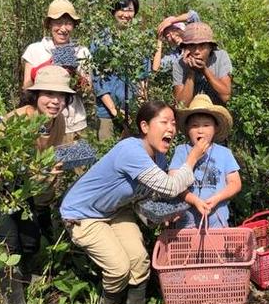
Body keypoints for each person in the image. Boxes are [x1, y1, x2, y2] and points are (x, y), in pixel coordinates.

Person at [60, 101, 210, 304]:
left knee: (139, 262)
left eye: (173, 124)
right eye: (164, 122)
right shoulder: (130, 150)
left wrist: (158, 215)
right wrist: (192, 158)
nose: (171, 129)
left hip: (115, 210)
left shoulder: (159, 158)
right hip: (82, 215)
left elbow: (143, 196)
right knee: (118, 269)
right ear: (145, 127)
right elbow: (171, 187)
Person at [0, 66, 76, 304]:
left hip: (32, 190)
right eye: (49, 94)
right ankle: (14, 297)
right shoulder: (17, 119)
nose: (55, 101)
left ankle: (26, 283)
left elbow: (55, 156)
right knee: (9, 247)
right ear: (36, 95)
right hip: (4, 190)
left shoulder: (58, 121)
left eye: (61, 96)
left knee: (30, 243)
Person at [21, 0, 91, 142]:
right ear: (49, 24)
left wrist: (75, 75)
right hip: (42, 124)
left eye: (68, 23)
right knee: (43, 162)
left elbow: (88, 90)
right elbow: (26, 87)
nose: (63, 28)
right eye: (58, 22)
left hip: (75, 124)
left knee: (76, 164)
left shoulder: (82, 52)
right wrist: (49, 68)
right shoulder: (35, 50)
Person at [168, 94, 242, 228]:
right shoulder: (181, 151)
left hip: (218, 222)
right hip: (186, 225)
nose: (200, 130)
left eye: (206, 125)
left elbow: (235, 183)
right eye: (195, 126)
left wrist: (217, 198)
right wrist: (195, 201)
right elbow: (173, 183)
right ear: (188, 129)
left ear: (215, 128)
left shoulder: (224, 153)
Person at [90, 0, 148, 141]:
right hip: (107, 113)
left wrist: (139, 109)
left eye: (130, 10)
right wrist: (116, 112)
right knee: (107, 152)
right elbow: (98, 81)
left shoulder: (139, 41)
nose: (125, 14)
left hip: (133, 112)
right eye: (121, 9)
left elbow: (143, 77)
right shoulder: (101, 41)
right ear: (113, 11)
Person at [172, 22, 232, 106]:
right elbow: (181, 105)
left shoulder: (220, 57)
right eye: (192, 46)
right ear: (186, 48)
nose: (197, 51)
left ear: (210, 47)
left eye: (202, 45)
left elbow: (226, 97)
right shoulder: (179, 64)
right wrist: (191, 72)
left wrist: (204, 70)